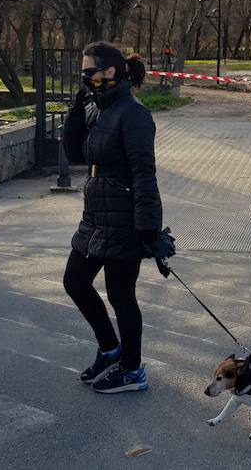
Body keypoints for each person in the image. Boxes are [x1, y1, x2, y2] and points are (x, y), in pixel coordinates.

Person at [61, 41, 173, 394]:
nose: (84, 77)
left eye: (89, 71)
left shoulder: (133, 113)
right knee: (75, 282)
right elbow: (76, 152)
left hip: (125, 218)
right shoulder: (98, 107)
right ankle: (111, 349)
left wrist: (148, 227)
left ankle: (132, 369)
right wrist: (78, 109)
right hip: (95, 216)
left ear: (110, 72)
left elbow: (144, 171)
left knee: (121, 294)